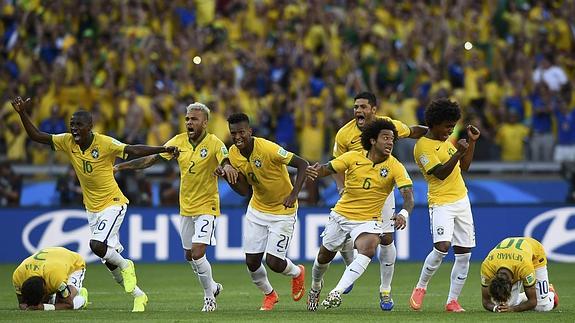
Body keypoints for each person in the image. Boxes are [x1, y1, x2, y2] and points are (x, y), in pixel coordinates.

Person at [11, 96, 179, 312]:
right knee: (108, 261)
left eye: (78, 124)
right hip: (92, 209)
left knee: (96, 245)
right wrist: (22, 113)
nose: (74, 129)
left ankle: (127, 265)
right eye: (71, 124)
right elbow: (36, 136)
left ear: (90, 127)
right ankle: (139, 295)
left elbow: (133, 149)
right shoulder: (67, 142)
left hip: (113, 203)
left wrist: (162, 149)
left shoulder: (105, 143)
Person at [114, 102, 238, 312]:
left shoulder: (215, 142)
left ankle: (209, 297)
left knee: (198, 253)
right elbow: (152, 159)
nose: (189, 122)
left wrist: (225, 167)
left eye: (194, 119)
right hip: (186, 207)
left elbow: (225, 159)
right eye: (187, 119)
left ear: (205, 123)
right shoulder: (178, 141)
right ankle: (214, 286)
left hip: (207, 205)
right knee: (189, 256)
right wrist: (120, 166)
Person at [331, 91, 427, 310]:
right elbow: (336, 163)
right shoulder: (344, 134)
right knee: (341, 237)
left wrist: (434, 131)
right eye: (356, 107)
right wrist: (340, 185)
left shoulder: (388, 126)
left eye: (363, 107)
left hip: (381, 191)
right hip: (353, 193)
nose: (358, 111)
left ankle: (385, 290)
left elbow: (413, 131)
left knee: (386, 239)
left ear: (373, 109)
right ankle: (349, 266)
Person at [306, 119, 414, 311]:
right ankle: (315, 286)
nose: (390, 142)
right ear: (373, 140)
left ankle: (336, 292)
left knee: (369, 248)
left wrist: (404, 213)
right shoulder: (352, 157)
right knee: (323, 257)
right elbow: (328, 168)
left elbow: (408, 196)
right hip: (341, 215)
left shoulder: (395, 166)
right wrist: (316, 170)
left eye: (392, 139)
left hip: (367, 220)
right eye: (385, 138)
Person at [220, 113, 307, 311]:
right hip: (257, 209)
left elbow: (302, 164)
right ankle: (269, 295)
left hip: (283, 211)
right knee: (251, 261)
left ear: (250, 131)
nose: (237, 137)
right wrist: (227, 175)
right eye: (233, 133)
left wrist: (294, 194)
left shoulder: (269, 149)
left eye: (241, 132)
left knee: (274, 262)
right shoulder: (233, 154)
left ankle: (297, 273)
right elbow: (243, 191)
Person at [409, 98, 480, 312]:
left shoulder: (445, 142)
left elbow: (464, 167)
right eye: (447, 126)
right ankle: (420, 287)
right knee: (441, 248)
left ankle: (452, 301)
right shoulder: (422, 146)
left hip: (461, 200)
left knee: (464, 253)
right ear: (434, 123)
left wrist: (471, 142)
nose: (450, 130)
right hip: (441, 203)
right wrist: (458, 151)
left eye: (453, 126)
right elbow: (439, 174)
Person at [481, 237, 559, 313]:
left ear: (512, 282)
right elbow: (486, 301)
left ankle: (549, 291)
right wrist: (495, 308)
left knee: (542, 307)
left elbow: (533, 301)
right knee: (504, 305)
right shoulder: (487, 267)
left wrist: (513, 309)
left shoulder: (525, 267)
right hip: (513, 256)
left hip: (535, 255)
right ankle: (532, 294)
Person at [13, 247, 88, 311]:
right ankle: (51, 299)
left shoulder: (57, 280)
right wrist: (25, 305)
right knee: (50, 303)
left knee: (64, 301)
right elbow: (22, 302)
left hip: (74, 263)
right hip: (52, 260)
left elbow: (68, 304)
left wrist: (43, 307)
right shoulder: (18, 277)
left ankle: (82, 298)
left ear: (45, 290)